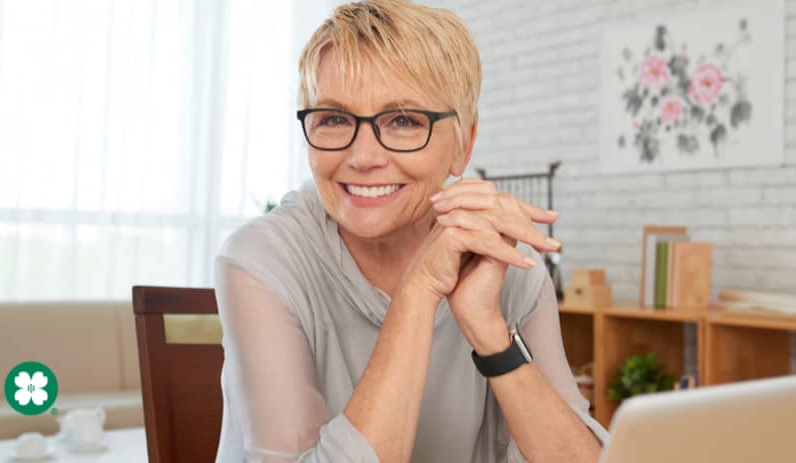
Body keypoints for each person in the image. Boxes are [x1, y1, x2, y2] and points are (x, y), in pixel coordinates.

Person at [213, 1, 608, 461]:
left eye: (403, 120)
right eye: (335, 118)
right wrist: (418, 293)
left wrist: (490, 331)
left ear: (465, 144)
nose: (362, 157)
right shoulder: (261, 260)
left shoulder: (508, 268)